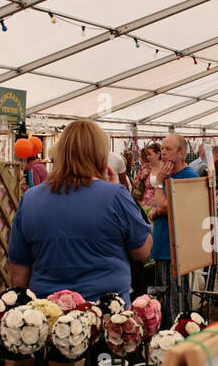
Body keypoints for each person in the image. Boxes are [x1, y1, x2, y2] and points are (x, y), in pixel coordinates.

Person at [8, 119, 151, 302]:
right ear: (99, 154)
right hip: (106, 314)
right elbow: (142, 250)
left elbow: (18, 275)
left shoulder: (30, 199)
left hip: (48, 313)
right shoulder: (115, 195)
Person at [150, 132, 198, 322]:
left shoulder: (187, 176)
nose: (163, 153)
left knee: (175, 303)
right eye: (162, 148)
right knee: (164, 299)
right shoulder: (172, 174)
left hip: (175, 250)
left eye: (168, 149)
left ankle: (177, 341)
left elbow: (164, 206)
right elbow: (161, 206)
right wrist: (159, 209)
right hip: (163, 247)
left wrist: (159, 181)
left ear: (181, 153)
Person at [132, 142, 162, 217]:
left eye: (149, 154)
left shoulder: (166, 168)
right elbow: (134, 184)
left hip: (160, 207)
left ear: (158, 154)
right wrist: (141, 177)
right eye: (147, 155)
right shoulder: (146, 167)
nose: (147, 157)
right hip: (145, 207)